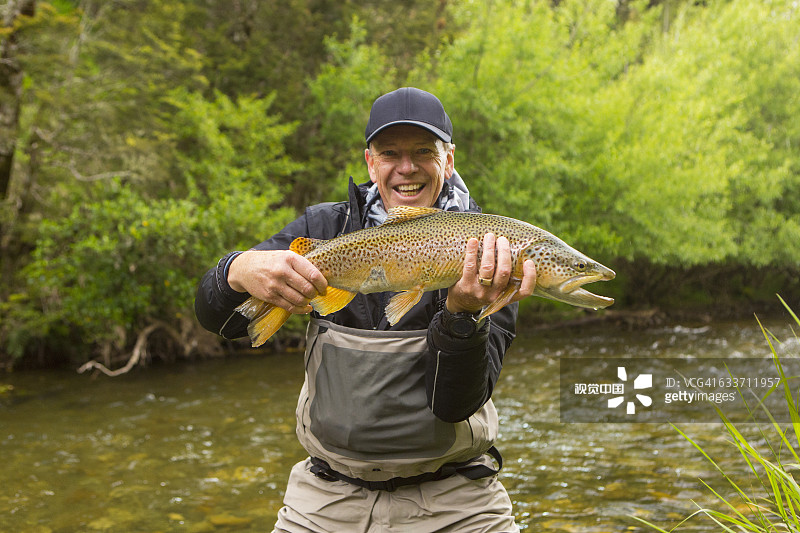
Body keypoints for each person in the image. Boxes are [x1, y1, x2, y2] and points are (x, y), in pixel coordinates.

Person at [195, 87, 537, 532]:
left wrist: (462, 312)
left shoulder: (488, 252)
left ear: (449, 160)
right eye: (390, 153)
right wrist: (236, 269)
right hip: (326, 498)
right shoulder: (325, 228)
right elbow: (216, 319)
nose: (407, 167)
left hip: (456, 501)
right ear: (370, 162)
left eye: (423, 152)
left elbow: (454, 404)